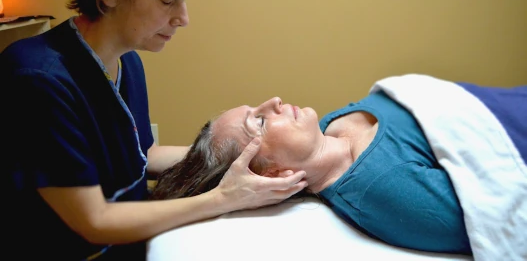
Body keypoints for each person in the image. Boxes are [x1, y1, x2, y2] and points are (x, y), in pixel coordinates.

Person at [1, 0, 307, 260]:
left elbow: (141, 154)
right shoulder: (38, 79)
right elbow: (93, 220)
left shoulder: (127, 61)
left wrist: (240, 150)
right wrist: (224, 197)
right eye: (168, 0)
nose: (183, 18)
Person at [152, 81, 526, 255]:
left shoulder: (330, 128)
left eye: (257, 107)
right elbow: (499, 210)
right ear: (273, 174)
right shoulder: (383, 190)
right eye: (260, 122)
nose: (274, 100)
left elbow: (188, 158)